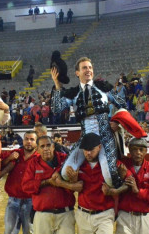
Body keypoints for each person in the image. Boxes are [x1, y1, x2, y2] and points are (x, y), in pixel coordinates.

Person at [51, 57, 126, 188]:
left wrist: (117, 121)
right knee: (65, 172)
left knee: (110, 177)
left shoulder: (103, 87)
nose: (88, 70)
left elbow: (122, 104)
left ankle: (121, 196)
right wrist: (57, 85)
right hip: (85, 139)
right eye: (84, 68)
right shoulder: (73, 93)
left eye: (90, 67)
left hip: (105, 136)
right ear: (77, 73)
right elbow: (56, 109)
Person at [66, 133, 128, 234]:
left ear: (99, 147)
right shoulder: (78, 165)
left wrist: (116, 188)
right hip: (83, 214)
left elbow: (129, 183)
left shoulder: (112, 165)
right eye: (85, 150)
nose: (88, 153)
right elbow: (69, 190)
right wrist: (72, 182)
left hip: (104, 215)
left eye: (91, 149)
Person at [22, 136, 82, 234]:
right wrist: (47, 182)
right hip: (42, 215)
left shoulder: (65, 160)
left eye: (48, 145)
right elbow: (26, 186)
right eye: (42, 146)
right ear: (38, 150)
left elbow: (76, 185)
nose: (46, 149)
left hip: (65, 214)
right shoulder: (33, 163)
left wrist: (72, 179)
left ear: (53, 147)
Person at [113, 138, 149, 234]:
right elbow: (112, 185)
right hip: (124, 216)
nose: (138, 153)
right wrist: (121, 179)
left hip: (144, 218)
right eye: (134, 149)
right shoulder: (121, 164)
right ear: (129, 150)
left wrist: (138, 191)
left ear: (146, 151)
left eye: (141, 149)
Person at [1, 131, 39, 234]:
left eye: (32, 139)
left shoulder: (40, 158)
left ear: (36, 142)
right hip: (13, 200)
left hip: (31, 201)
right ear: (23, 140)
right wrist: (9, 158)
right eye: (26, 139)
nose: (29, 142)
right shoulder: (15, 153)